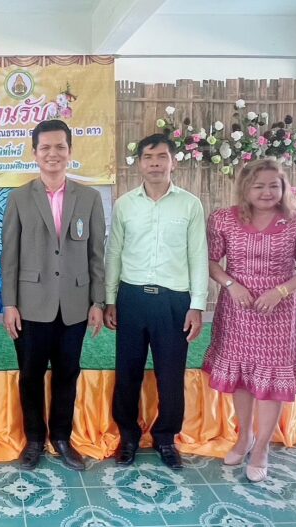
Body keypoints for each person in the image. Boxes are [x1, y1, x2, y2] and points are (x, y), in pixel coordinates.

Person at [203, 159, 296, 482]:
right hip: (237, 310)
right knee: (241, 378)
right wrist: (231, 284)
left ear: (284, 188)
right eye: (258, 186)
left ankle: (262, 448)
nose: (266, 192)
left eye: (274, 185)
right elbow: (210, 261)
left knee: (271, 382)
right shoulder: (223, 219)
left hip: (279, 313)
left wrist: (281, 291)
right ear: (245, 188)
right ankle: (244, 437)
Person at [2, 119, 106, 471]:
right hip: (30, 305)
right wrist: (10, 303)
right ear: (34, 153)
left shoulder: (89, 198)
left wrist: (97, 301)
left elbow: (96, 254)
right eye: (45, 147)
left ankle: (62, 437)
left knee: (67, 373)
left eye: (60, 146)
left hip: (75, 304)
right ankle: (34, 439)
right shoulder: (19, 197)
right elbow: (10, 255)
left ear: (70, 151)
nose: (53, 153)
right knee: (30, 375)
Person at [104, 133, 208, 470]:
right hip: (132, 297)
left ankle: (166, 438)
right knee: (128, 372)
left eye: (162, 157)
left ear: (173, 162)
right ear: (139, 163)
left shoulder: (190, 205)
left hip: (174, 301)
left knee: (170, 374)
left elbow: (198, 255)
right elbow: (113, 253)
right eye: (148, 157)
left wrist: (197, 305)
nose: (155, 164)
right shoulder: (125, 204)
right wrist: (110, 299)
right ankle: (128, 437)